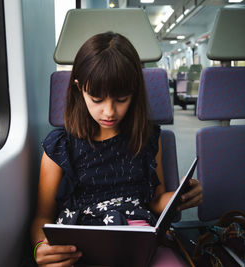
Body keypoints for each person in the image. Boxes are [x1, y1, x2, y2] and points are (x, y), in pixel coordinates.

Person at [30, 32, 203, 266]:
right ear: (79, 90)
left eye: (121, 99)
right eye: (97, 99)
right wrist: (41, 247)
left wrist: (178, 198)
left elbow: (155, 201)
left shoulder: (147, 137)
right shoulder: (61, 147)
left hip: (137, 237)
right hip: (79, 245)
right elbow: (42, 217)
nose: (110, 112)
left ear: (134, 92)